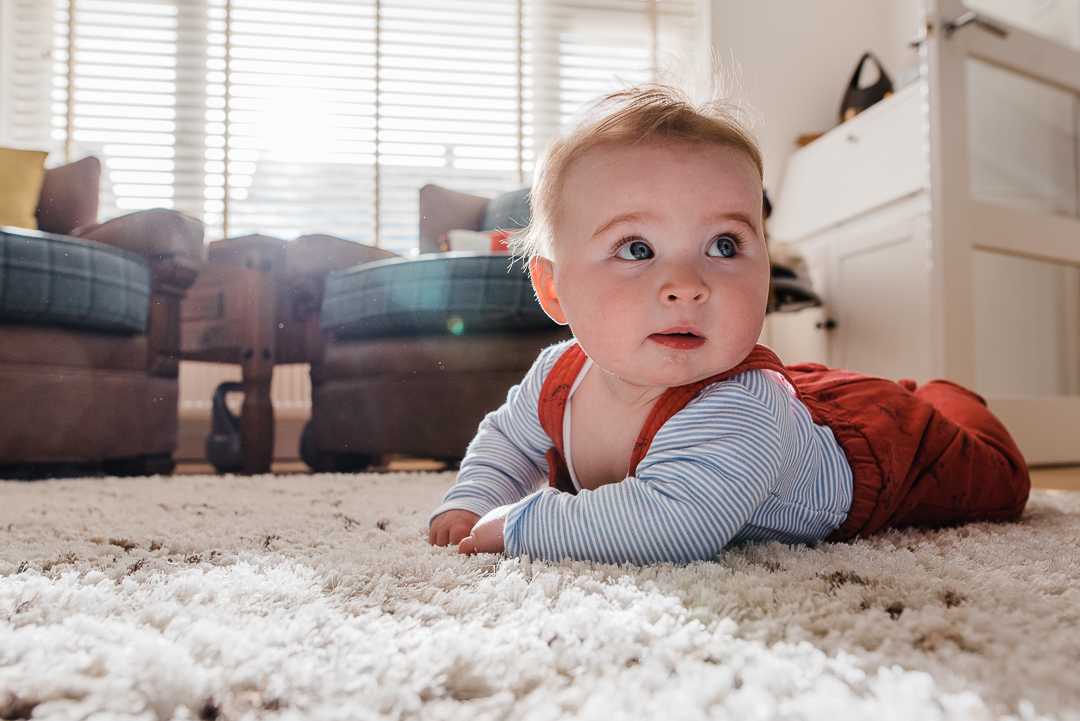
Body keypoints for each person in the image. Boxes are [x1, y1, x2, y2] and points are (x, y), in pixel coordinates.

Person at [427, 77, 1030, 565]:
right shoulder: (558, 374)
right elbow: (508, 439)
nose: (688, 285)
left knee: (998, 476)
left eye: (723, 245)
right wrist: (474, 498)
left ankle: (944, 394)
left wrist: (524, 522)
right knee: (801, 396)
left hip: (874, 448)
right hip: (796, 407)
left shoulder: (741, 411)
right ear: (553, 287)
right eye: (637, 249)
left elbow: (674, 524)